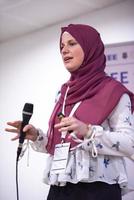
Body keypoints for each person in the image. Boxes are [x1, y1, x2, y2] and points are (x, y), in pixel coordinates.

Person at [5, 24, 134, 200]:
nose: (64, 50)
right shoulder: (63, 92)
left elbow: (129, 143)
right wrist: (36, 136)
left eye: (72, 43)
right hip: (60, 187)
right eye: (61, 46)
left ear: (90, 47)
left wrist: (88, 131)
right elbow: (61, 143)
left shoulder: (113, 91)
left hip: (97, 189)